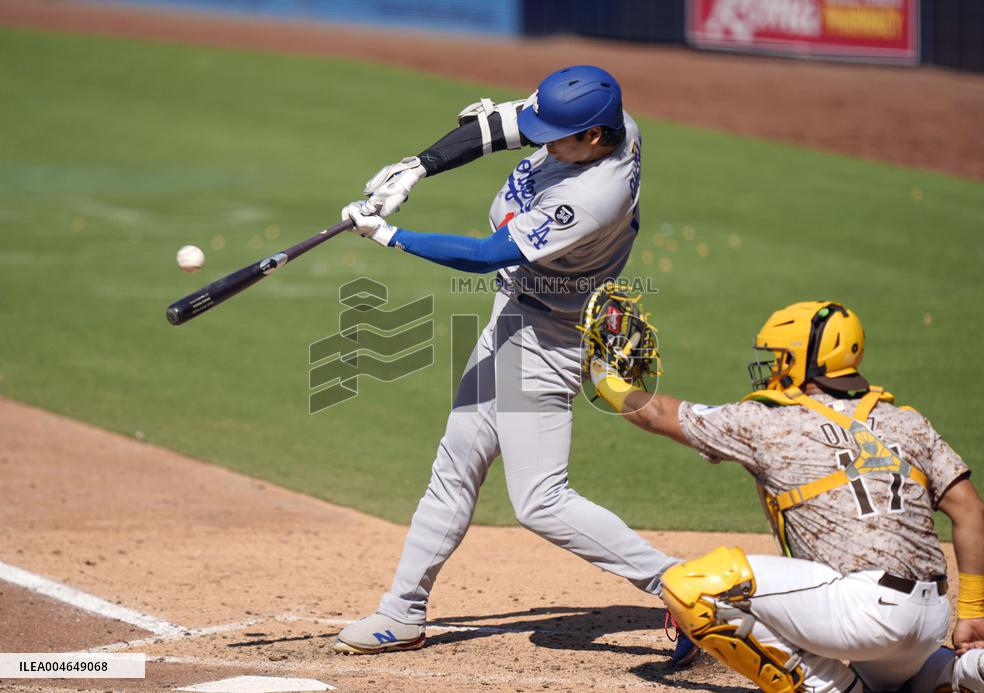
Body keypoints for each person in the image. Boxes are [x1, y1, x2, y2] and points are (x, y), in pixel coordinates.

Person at [331, 65, 689, 660]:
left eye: (558, 137)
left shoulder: (594, 194)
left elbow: (486, 254)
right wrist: (417, 167)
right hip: (513, 316)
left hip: (546, 339)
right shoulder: (603, 119)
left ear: (595, 139)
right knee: (456, 460)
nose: (544, 141)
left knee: (540, 501)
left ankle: (687, 590)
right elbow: (501, 125)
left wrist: (390, 235)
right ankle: (403, 611)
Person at [588, 299, 984, 692]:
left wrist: (602, 372)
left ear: (800, 361)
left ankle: (828, 689)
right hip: (930, 618)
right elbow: (969, 509)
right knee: (913, 677)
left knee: (688, 587)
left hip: (862, 616)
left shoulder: (772, 422)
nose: (774, 366)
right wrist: (972, 612)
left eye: (780, 356)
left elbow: (654, 413)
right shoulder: (908, 422)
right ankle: (965, 671)